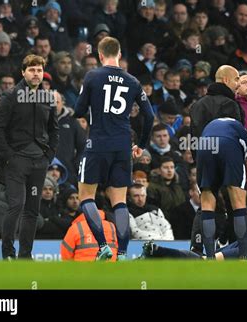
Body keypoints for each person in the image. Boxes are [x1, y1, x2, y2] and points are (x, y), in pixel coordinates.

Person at [73, 37, 155, 260]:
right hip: (123, 145)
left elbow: (79, 110)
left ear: (100, 56)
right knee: (119, 201)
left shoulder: (92, 76)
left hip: (97, 143)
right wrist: (142, 145)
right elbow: (149, 116)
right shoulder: (133, 81)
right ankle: (123, 252)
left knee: (86, 197)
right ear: (119, 55)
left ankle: (102, 246)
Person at [0, 54, 59, 260]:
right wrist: (9, 156)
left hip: (39, 161)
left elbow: (54, 130)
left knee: (32, 210)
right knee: (16, 205)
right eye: (31, 70)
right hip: (16, 161)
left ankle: (25, 256)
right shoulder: (10, 96)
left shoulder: (48, 97)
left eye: (39, 70)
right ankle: (8, 254)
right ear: (23, 72)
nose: (36, 74)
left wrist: (49, 155)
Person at [196, 117, 247, 259]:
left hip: (204, 144)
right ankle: (243, 257)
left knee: (207, 203)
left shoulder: (214, 124)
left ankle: (210, 258)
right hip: (228, 145)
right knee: (238, 202)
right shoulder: (246, 138)